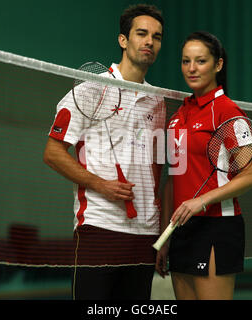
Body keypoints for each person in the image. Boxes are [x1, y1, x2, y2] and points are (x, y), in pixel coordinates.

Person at [43, 4, 165, 300]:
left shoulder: (159, 101)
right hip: (100, 228)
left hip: (145, 234)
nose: (149, 41)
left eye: (157, 37)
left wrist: (162, 237)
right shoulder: (90, 90)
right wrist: (100, 185)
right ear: (123, 40)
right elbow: (53, 152)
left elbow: (158, 173)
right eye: (141, 33)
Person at [155, 31, 252, 300]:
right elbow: (174, 178)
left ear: (218, 65)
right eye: (185, 61)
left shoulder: (227, 112)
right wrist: (165, 237)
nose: (191, 69)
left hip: (217, 227)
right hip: (181, 229)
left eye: (200, 61)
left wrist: (201, 200)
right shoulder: (178, 115)